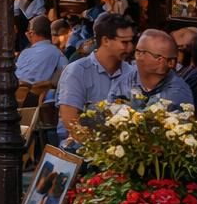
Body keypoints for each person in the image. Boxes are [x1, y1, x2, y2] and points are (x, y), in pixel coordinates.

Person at [55, 13, 137, 147]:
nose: (130, 48)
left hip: (124, 150)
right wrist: (101, 151)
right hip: (81, 149)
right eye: (124, 42)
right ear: (105, 41)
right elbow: (71, 122)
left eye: (131, 41)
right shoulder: (77, 71)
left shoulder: (132, 72)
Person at [119, 29, 193, 107]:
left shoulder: (178, 92)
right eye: (138, 52)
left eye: (161, 58)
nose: (139, 56)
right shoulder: (125, 80)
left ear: (171, 63)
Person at [14, 16, 67, 85]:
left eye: (28, 32)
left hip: (18, 91)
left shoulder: (25, 53)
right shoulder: (58, 54)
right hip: (42, 93)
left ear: (31, 33)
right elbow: (65, 71)